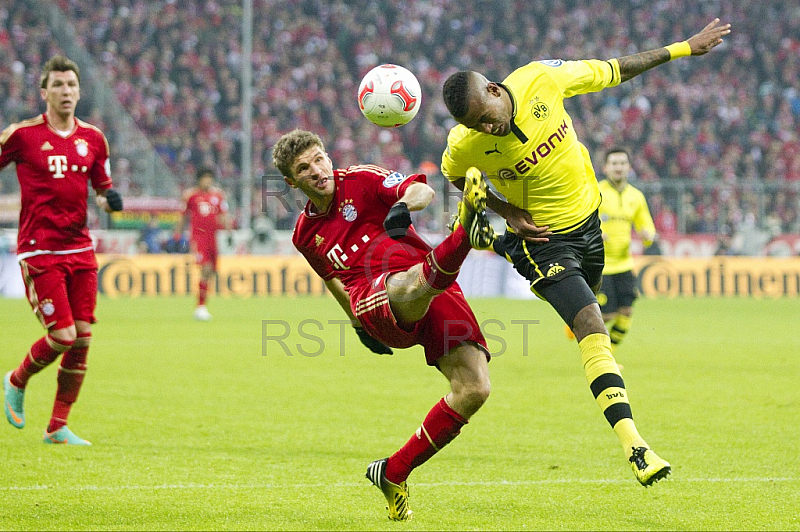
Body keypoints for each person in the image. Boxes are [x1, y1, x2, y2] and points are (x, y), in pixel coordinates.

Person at [440, 18, 731, 486]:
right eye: (475, 126)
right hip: (542, 239)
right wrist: (504, 208)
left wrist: (683, 48)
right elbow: (453, 172)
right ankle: (636, 446)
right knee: (591, 322)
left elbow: (615, 69)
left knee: (601, 313)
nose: (486, 128)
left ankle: (482, 237)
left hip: (589, 225)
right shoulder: (467, 142)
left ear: (495, 90)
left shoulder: (541, 79)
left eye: (485, 116)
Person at [272, 129, 495, 521]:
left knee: (474, 388)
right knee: (407, 284)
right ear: (292, 182)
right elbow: (333, 280)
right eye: (304, 169)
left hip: (430, 277)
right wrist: (357, 326)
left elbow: (421, 191)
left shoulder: (360, 179)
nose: (317, 171)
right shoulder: (305, 236)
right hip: (374, 299)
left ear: (328, 156)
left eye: (319, 159)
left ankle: (393, 472)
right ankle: (465, 234)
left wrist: (403, 207)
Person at [1, 55, 123, 445]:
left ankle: (57, 426)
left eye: (71, 85)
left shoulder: (93, 138)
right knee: (63, 336)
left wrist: (109, 201)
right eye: (58, 85)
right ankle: (16, 380)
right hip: (40, 249)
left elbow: (102, 189)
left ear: (79, 91)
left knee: (83, 335)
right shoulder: (22, 136)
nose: (66, 91)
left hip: (80, 247)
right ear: (45, 92)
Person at [594, 148, 656, 353]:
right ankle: (578, 325)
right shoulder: (596, 192)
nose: (618, 167)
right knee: (608, 315)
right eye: (614, 163)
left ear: (629, 167)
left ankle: (607, 356)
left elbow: (644, 223)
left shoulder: (636, 197)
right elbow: (584, 219)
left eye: (622, 163)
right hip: (601, 264)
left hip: (624, 263)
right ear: (605, 167)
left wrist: (648, 235)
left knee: (626, 311)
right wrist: (595, 232)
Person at [174, 167, 231, 321]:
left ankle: (202, 305)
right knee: (205, 269)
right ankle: (200, 307)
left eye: (209, 178)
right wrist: (177, 235)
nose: (207, 181)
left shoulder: (218, 195)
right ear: (199, 179)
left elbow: (223, 215)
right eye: (205, 178)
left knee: (211, 271)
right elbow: (182, 216)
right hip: (198, 238)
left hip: (213, 238)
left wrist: (229, 231)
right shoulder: (190, 195)